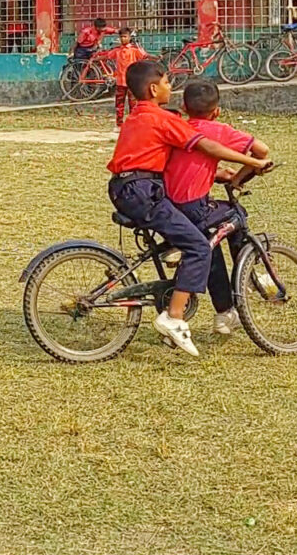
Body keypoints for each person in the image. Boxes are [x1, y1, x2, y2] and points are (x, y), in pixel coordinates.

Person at [107, 59, 272, 357]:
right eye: (169, 82)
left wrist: (218, 174)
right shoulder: (163, 118)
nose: (172, 87)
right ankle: (174, 317)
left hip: (126, 187)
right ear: (154, 88)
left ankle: (176, 250)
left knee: (187, 233)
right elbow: (207, 147)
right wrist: (252, 162)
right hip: (143, 191)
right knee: (200, 247)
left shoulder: (137, 116)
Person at [164, 81, 272, 336]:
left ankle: (225, 309)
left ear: (183, 106)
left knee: (210, 242)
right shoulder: (218, 130)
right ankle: (241, 282)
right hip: (193, 206)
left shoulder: (178, 127)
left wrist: (214, 174)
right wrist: (238, 179)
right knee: (236, 216)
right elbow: (262, 151)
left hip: (168, 205)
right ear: (217, 111)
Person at [110, 27, 149, 128]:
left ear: (129, 37)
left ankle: (133, 124)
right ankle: (119, 124)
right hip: (120, 81)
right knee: (119, 104)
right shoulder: (117, 50)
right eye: (121, 37)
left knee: (133, 104)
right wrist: (95, 58)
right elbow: (107, 56)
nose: (123, 39)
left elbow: (144, 56)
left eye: (125, 37)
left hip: (131, 81)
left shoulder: (134, 50)